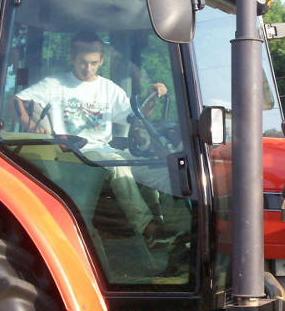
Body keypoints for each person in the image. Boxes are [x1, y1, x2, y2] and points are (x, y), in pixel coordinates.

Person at [12, 31, 168, 244]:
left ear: (101, 60)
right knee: (118, 164)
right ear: (72, 58)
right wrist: (30, 125)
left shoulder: (108, 88)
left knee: (150, 164)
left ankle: (162, 223)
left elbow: (135, 118)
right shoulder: (55, 84)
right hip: (74, 153)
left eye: (94, 63)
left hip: (104, 150)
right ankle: (147, 229)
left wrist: (152, 98)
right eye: (83, 62)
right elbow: (18, 99)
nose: (88, 68)